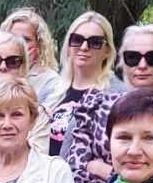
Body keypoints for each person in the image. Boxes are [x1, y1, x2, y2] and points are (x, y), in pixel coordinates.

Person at [65, 21, 153, 183]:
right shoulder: (94, 104)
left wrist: (104, 170)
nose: (142, 65)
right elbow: (73, 173)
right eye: (132, 57)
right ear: (122, 62)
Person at [46, 10, 120, 164]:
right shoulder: (54, 90)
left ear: (107, 50)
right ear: (68, 45)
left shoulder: (116, 96)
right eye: (77, 40)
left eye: (95, 42)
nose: (84, 47)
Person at [0, 7, 65, 107]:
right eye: (13, 37)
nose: (19, 43)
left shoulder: (51, 81)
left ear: (39, 45)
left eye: (26, 39)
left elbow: (43, 120)